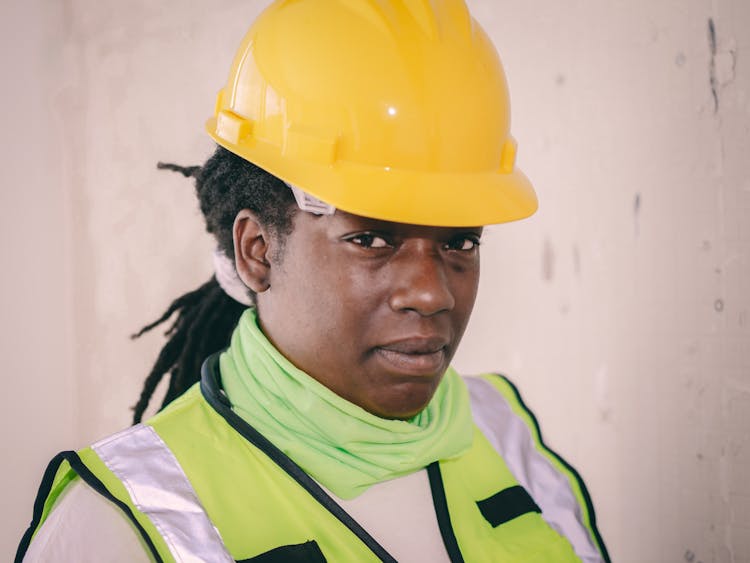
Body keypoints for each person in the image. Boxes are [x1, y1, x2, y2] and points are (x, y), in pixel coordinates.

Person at [17, 1, 610, 561]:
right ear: (258, 252)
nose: (432, 293)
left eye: (461, 242)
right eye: (371, 240)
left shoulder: (505, 433)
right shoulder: (126, 522)